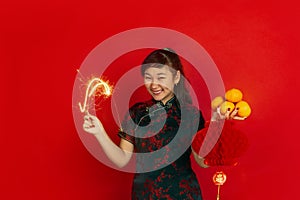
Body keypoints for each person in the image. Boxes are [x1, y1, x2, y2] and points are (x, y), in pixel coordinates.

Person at [83, 48, 209, 199]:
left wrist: (218, 126)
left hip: (184, 194)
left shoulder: (192, 115)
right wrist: (99, 132)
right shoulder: (137, 113)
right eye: (148, 77)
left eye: (161, 77)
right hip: (145, 195)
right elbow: (122, 160)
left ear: (176, 77)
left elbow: (203, 162)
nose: (154, 85)